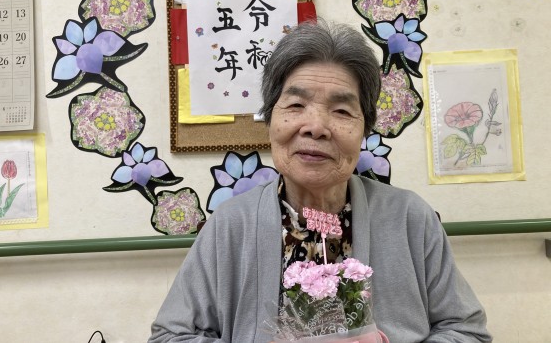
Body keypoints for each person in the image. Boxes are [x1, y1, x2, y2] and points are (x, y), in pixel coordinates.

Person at [149, 19, 492, 343]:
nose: (315, 127)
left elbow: (466, 330)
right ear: (271, 119)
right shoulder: (230, 225)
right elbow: (170, 336)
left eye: (341, 111)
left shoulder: (409, 218)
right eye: (296, 105)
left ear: (365, 129)